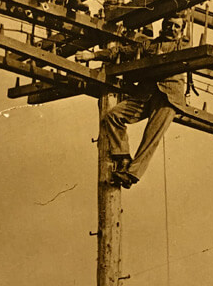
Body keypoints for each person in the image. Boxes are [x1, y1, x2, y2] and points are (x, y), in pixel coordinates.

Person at [75, 14, 187, 188]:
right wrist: (93, 55)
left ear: (181, 31)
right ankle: (123, 156)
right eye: (169, 25)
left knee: (151, 136)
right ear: (162, 27)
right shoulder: (149, 45)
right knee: (113, 116)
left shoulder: (182, 45)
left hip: (168, 97)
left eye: (177, 27)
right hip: (146, 94)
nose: (172, 29)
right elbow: (120, 51)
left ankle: (132, 174)